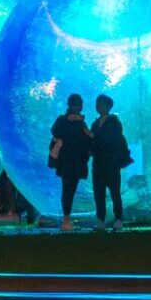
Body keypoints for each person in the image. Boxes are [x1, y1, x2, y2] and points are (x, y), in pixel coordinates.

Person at [47, 94, 92, 231]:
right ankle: (66, 218)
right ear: (70, 105)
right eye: (75, 104)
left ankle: (67, 218)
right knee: (68, 190)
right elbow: (55, 132)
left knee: (70, 190)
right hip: (69, 162)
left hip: (74, 162)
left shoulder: (79, 122)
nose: (77, 107)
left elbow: (86, 142)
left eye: (79, 104)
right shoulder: (66, 120)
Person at [89, 95, 129, 232]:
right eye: (97, 103)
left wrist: (93, 137)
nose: (98, 106)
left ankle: (118, 219)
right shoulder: (95, 124)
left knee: (115, 192)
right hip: (98, 164)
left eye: (101, 104)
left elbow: (110, 140)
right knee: (98, 193)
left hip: (111, 163)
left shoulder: (114, 122)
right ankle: (101, 221)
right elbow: (92, 143)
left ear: (108, 106)